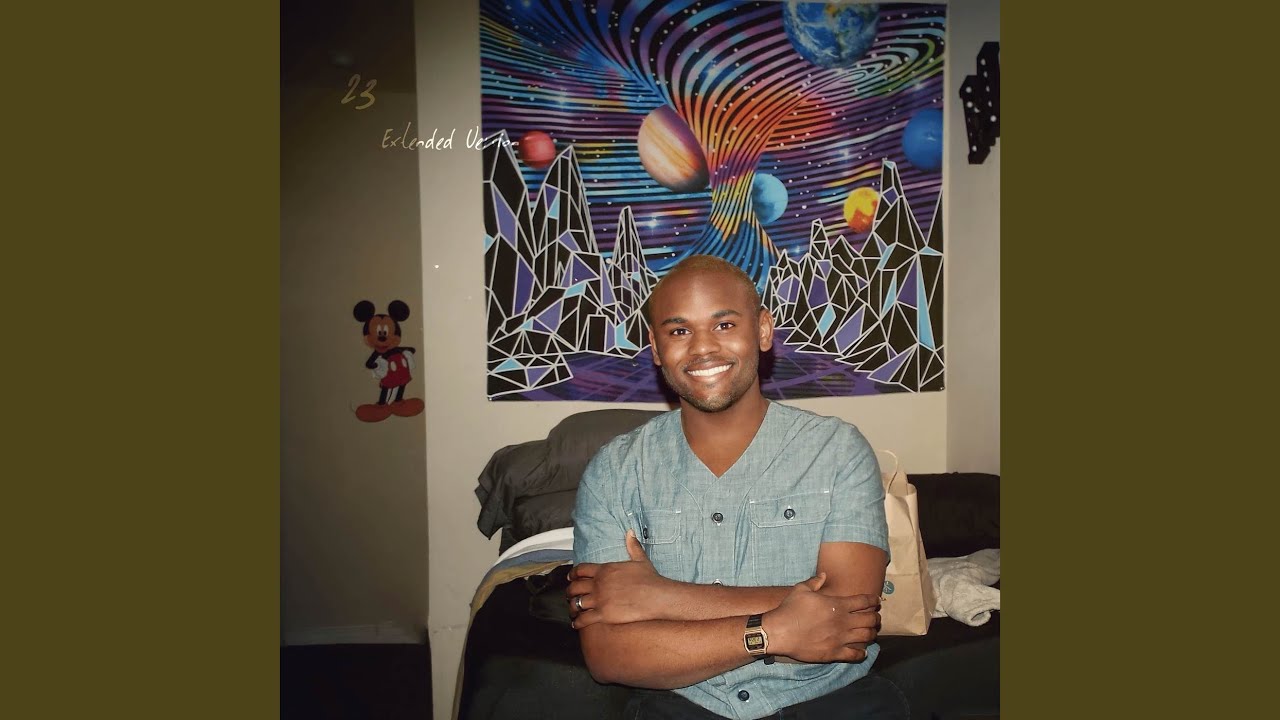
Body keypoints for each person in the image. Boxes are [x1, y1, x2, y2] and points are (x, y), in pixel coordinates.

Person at [567, 255, 906, 719]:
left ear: (763, 330)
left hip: (829, 701)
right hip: (679, 706)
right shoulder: (614, 471)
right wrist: (773, 631)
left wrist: (660, 597)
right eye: (679, 330)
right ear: (655, 347)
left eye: (724, 325)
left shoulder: (836, 450)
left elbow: (849, 617)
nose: (703, 348)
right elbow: (609, 655)